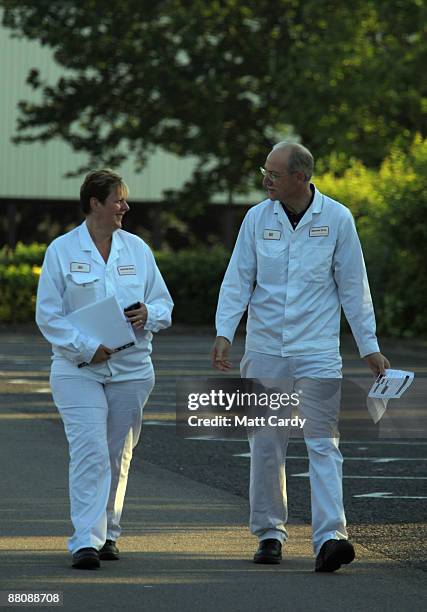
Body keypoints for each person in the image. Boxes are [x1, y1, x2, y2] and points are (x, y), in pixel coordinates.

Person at [211, 142, 389, 572]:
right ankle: (269, 533)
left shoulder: (338, 219)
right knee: (267, 446)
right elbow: (238, 279)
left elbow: (353, 286)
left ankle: (331, 537)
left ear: (300, 177)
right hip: (266, 349)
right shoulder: (257, 218)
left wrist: (369, 346)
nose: (265, 179)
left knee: (324, 443)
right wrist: (224, 332)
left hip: (318, 353)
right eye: (264, 171)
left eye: (272, 173)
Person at [36, 169, 173, 569]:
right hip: (77, 368)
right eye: (118, 200)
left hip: (131, 370)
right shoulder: (62, 250)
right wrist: (86, 347)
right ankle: (85, 541)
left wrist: (150, 314)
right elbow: (48, 316)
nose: (125, 207)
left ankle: (109, 532)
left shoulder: (138, 250)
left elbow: (164, 305)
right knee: (90, 451)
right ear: (95, 203)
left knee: (117, 454)